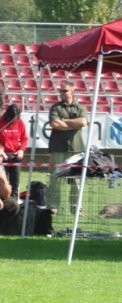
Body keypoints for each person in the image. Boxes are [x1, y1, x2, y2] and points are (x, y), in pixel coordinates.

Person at [48, 80, 88, 209]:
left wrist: (65, 121)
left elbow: (83, 122)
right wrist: (73, 125)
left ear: (72, 92)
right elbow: (55, 124)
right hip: (58, 148)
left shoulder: (80, 107)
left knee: (76, 180)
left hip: (76, 149)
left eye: (64, 91)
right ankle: (53, 206)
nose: (62, 93)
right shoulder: (55, 107)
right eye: (60, 91)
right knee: (55, 179)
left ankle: (76, 207)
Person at [0, 103, 28, 199]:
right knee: (3, 180)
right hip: (3, 156)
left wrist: (21, 150)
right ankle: (2, 199)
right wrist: (1, 152)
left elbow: (24, 138)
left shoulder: (20, 123)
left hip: (15, 156)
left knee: (15, 181)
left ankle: (14, 201)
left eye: (15, 118)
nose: (13, 121)